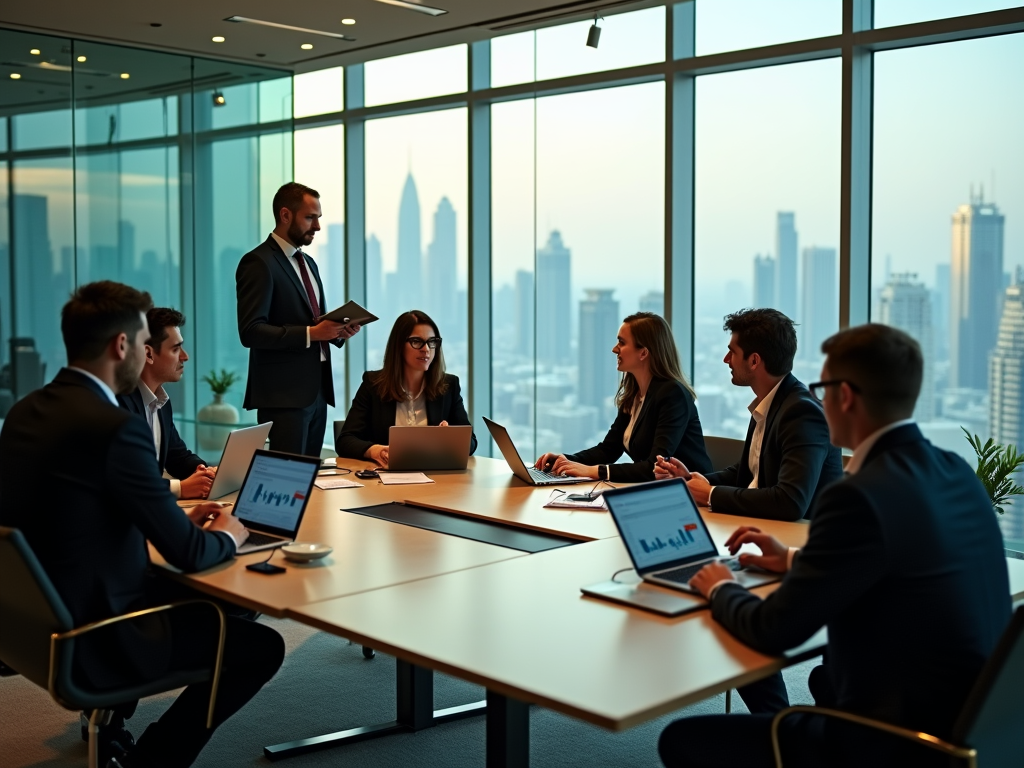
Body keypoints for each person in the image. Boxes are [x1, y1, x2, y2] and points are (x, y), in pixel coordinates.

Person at [658, 324, 1011, 768]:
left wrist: (719, 585)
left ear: (844, 396)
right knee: (825, 679)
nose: (817, 399)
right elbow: (895, 555)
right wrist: (789, 558)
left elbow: (773, 631)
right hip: (975, 728)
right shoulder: (955, 470)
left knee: (681, 739)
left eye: (823, 388)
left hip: (899, 742)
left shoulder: (859, 495)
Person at [0, 281, 284, 768]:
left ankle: (113, 728)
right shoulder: (114, 425)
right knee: (261, 646)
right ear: (123, 346)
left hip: (29, 625)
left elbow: (73, 509)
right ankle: (152, 762)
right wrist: (230, 533)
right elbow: (190, 555)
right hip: (98, 632)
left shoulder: (26, 411)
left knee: (227, 609)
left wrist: (174, 513)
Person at [655, 308, 842, 521]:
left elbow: (791, 502)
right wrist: (689, 481)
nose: (726, 360)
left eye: (732, 352)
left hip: (803, 542)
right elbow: (748, 473)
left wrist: (710, 494)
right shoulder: (771, 402)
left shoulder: (802, 413)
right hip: (767, 529)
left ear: (754, 361)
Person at [236, 181, 361, 458]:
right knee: (285, 481)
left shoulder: (309, 264)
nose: (317, 226)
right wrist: (313, 333)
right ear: (285, 215)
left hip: (317, 392)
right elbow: (251, 331)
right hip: (283, 397)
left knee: (308, 480)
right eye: (310, 217)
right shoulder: (258, 262)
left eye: (318, 218)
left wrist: (339, 331)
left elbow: (317, 323)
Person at [534, 312, 711, 482]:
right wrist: (566, 460)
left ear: (643, 353)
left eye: (621, 342)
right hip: (656, 492)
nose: (614, 349)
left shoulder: (673, 394)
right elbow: (609, 449)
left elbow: (656, 467)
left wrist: (594, 471)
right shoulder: (635, 394)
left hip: (691, 497)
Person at [336, 310, 476, 465]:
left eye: (432, 342)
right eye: (417, 341)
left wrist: (452, 438)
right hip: (383, 481)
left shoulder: (449, 386)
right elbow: (345, 441)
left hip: (436, 479)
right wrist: (375, 451)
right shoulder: (373, 384)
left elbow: (471, 442)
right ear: (399, 345)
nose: (426, 349)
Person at [118, 306, 215, 500]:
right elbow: (123, 479)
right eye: (176, 348)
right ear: (148, 354)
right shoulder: (118, 404)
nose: (185, 357)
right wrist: (180, 488)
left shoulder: (160, 402)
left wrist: (203, 471)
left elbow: (177, 456)